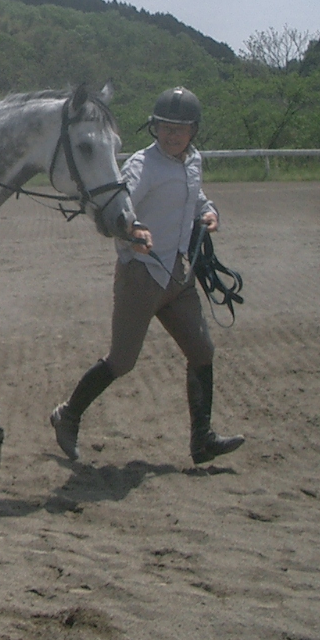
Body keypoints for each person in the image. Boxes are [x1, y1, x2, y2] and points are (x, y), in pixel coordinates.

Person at [48, 86, 244, 466]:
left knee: (202, 351)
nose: (172, 135)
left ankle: (202, 439)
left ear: (193, 131)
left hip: (178, 275)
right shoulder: (142, 165)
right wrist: (132, 230)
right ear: (155, 127)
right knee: (122, 361)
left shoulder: (193, 161)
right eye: (165, 127)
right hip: (141, 276)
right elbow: (119, 209)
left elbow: (196, 197)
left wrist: (210, 212)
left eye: (180, 128)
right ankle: (67, 415)